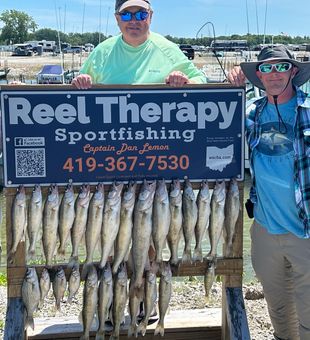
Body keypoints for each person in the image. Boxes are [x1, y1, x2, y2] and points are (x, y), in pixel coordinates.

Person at [229, 45, 310, 340]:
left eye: (280, 67)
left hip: (306, 230)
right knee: (278, 308)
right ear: (259, 76)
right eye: (265, 68)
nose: (273, 74)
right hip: (264, 229)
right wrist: (230, 87)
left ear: (292, 71)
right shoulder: (249, 112)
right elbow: (210, 127)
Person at [72, 0, 206, 88]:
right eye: (126, 15)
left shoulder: (169, 50)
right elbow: (76, 87)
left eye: (141, 15)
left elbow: (200, 79)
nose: (133, 20)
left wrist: (187, 81)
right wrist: (80, 81)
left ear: (150, 16)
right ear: (117, 18)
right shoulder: (102, 51)